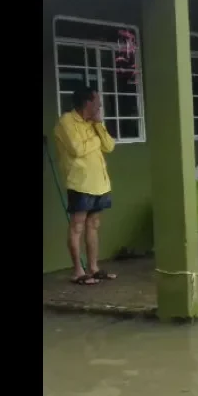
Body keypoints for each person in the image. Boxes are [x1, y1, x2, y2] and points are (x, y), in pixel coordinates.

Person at [53, 86, 118, 285]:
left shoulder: (93, 123)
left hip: (100, 182)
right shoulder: (67, 122)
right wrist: (95, 140)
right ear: (87, 103)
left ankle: (93, 268)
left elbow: (109, 146)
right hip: (80, 183)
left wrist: (98, 127)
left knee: (93, 225)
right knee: (77, 226)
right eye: (96, 101)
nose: (99, 105)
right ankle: (78, 271)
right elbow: (77, 149)